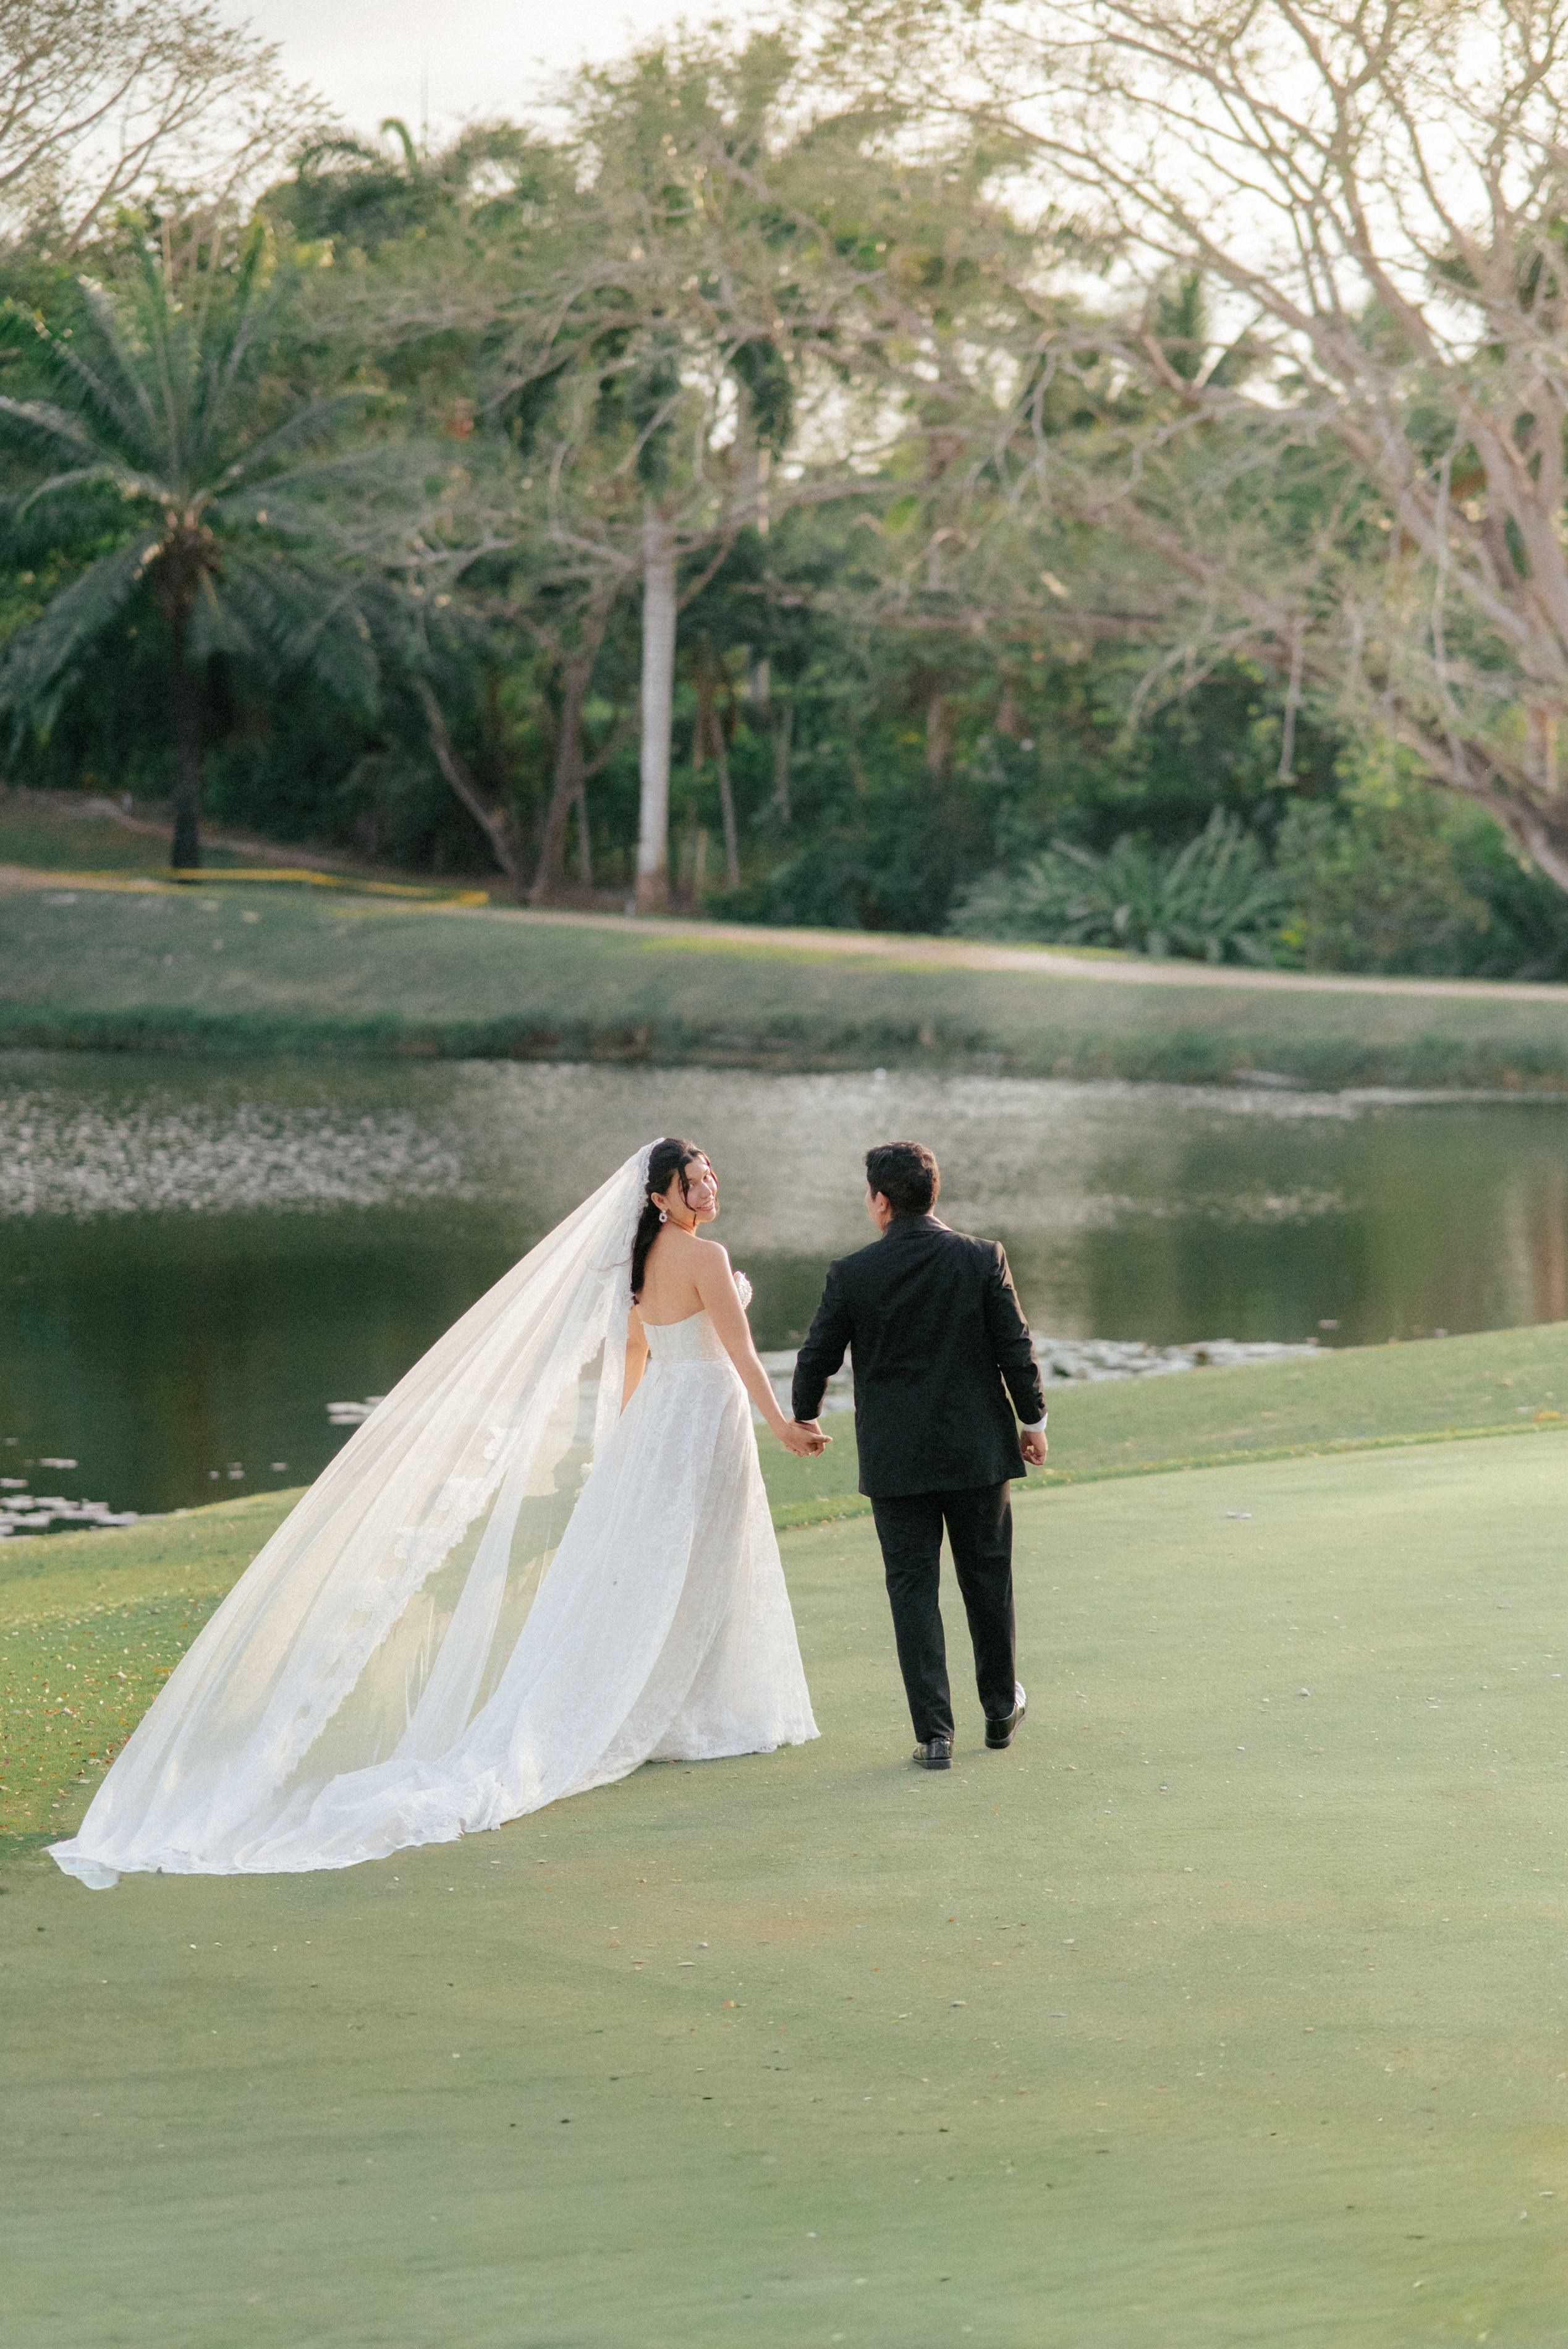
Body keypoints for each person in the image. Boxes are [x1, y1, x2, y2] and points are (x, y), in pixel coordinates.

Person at [51, 1139, 821, 1887]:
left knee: (663, 1562)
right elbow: (741, 1353)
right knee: (703, 1555)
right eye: (693, 1181)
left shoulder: (638, 1260)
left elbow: (633, 1355)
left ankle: (682, 1704)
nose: (709, 1189)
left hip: (660, 1418)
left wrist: (626, 1434)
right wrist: (781, 1422)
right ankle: (693, 1708)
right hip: (699, 1412)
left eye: (710, 1176)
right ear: (658, 1195)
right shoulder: (705, 1260)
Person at [790, 1141, 1048, 1771]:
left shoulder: (851, 1273)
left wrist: (805, 1414)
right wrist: (1033, 1419)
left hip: (896, 1460)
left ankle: (934, 1734)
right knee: (986, 1576)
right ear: (932, 1194)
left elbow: (816, 1357)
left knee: (912, 1590)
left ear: (880, 1200)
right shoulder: (981, 1257)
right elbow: (1014, 1347)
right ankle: (997, 1709)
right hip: (976, 1451)